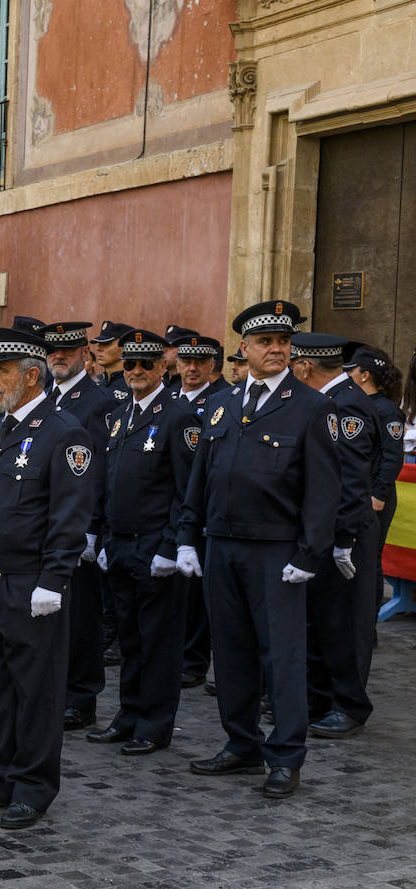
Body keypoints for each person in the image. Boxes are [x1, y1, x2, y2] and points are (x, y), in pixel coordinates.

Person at [177, 300, 340, 800]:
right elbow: (200, 478)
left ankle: (286, 756)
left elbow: (324, 489)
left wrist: (309, 553)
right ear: (243, 349)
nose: (277, 349)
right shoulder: (223, 404)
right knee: (231, 652)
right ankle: (241, 742)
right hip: (222, 545)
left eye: (283, 342)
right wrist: (188, 535)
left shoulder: (312, 407)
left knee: (282, 658)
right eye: (265, 341)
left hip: (276, 552)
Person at [0, 326, 94, 829]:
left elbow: (69, 516)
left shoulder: (64, 433)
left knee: (36, 691)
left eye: (1, 371)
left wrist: (53, 581)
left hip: (29, 584)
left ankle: (33, 785)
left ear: (31, 375)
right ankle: (1, 773)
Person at [86, 330, 195, 756]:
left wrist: (173, 546)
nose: (136, 372)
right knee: (129, 638)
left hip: (155, 546)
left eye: (146, 364)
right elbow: (108, 482)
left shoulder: (178, 415)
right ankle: (128, 713)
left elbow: (185, 490)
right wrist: (102, 535)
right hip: (121, 545)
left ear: (162, 368)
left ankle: (154, 723)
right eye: (130, 364)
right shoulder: (119, 415)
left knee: (159, 642)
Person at [289, 333, 381, 738]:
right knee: (318, 620)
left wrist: (343, 539)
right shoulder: (329, 402)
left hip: (346, 532)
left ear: (306, 367)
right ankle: (317, 699)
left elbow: (352, 482)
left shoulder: (346, 406)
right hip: (323, 530)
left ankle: (350, 704)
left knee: (342, 622)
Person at [39, 320, 114, 727]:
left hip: (79, 524)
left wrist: (91, 528)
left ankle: (81, 697)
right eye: (52, 352)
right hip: (45, 521)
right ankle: (55, 690)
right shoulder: (44, 397)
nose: (59, 357)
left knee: (81, 616)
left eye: (67, 350)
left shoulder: (97, 401)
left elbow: (99, 470)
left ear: (84, 353)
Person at [170, 332, 229, 688]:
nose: (192, 369)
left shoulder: (222, 402)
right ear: (176, 364)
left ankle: (194, 661)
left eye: (200, 363)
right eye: (186, 362)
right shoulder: (168, 400)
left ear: (212, 366)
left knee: (201, 596)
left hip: (206, 508)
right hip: (173, 507)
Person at [344, 343, 405, 611]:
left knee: (371, 560)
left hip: (374, 496)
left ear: (365, 375)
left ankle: (368, 623)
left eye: (352, 370)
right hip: (359, 493)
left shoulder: (387, 410)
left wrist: (379, 494)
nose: (347, 375)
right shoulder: (359, 404)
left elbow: (392, 457)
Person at [89, 321, 133, 400]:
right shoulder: (94, 382)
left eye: (106, 344)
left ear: (125, 347)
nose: (98, 348)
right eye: (98, 343)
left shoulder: (134, 384)